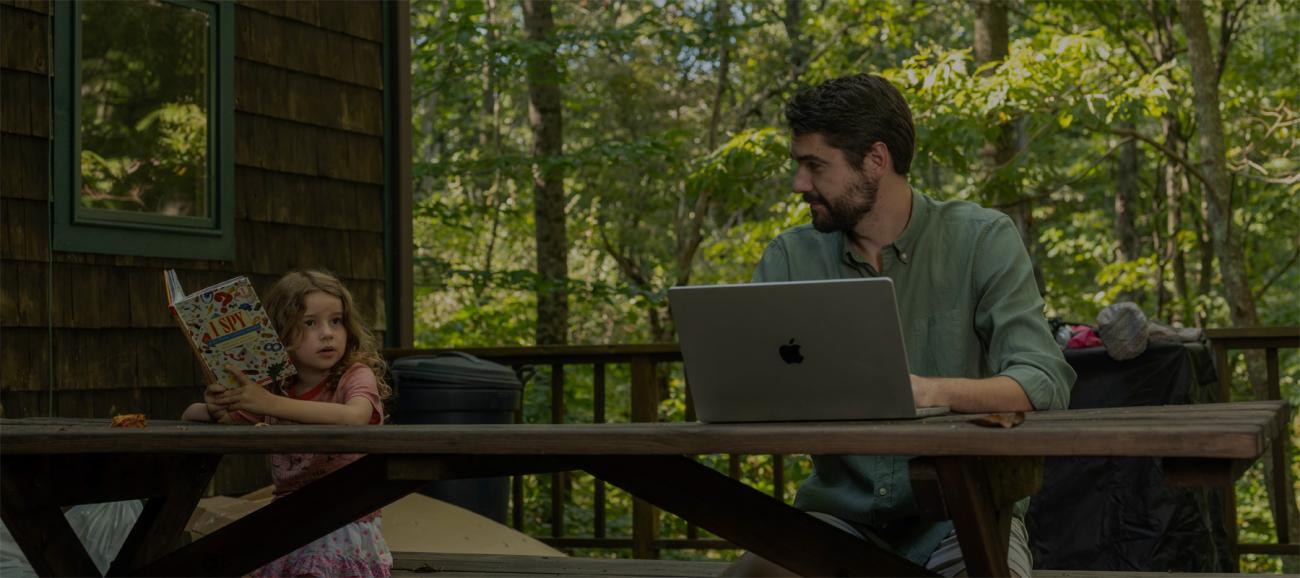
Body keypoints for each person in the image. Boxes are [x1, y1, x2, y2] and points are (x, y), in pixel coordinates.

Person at [722, 74, 1075, 577]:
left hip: (966, 520)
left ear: (876, 160)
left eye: (814, 165)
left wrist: (927, 391)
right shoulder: (789, 258)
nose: (799, 183)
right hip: (835, 521)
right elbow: (743, 387)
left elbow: (1042, 380)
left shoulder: (982, 241)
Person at [182, 269, 394, 578]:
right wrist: (214, 406)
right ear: (279, 333)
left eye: (336, 321)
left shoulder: (354, 376)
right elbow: (198, 415)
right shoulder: (277, 386)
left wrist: (269, 404)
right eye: (310, 323)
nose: (327, 333)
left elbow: (356, 417)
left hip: (344, 518)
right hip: (288, 520)